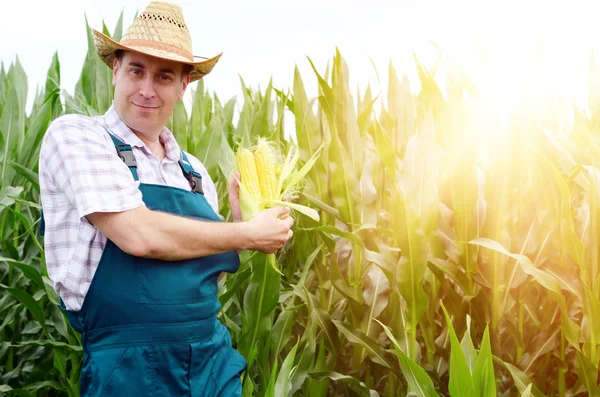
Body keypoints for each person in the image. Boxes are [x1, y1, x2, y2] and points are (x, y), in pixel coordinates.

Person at [38, 1, 294, 396]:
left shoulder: (193, 172)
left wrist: (243, 228)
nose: (146, 89)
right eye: (136, 70)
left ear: (183, 86)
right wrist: (243, 234)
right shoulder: (77, 136)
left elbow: (208, 278)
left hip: (211, 364)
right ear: (115, 70)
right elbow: (139, 236)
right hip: (128, 370)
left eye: (163, 76)